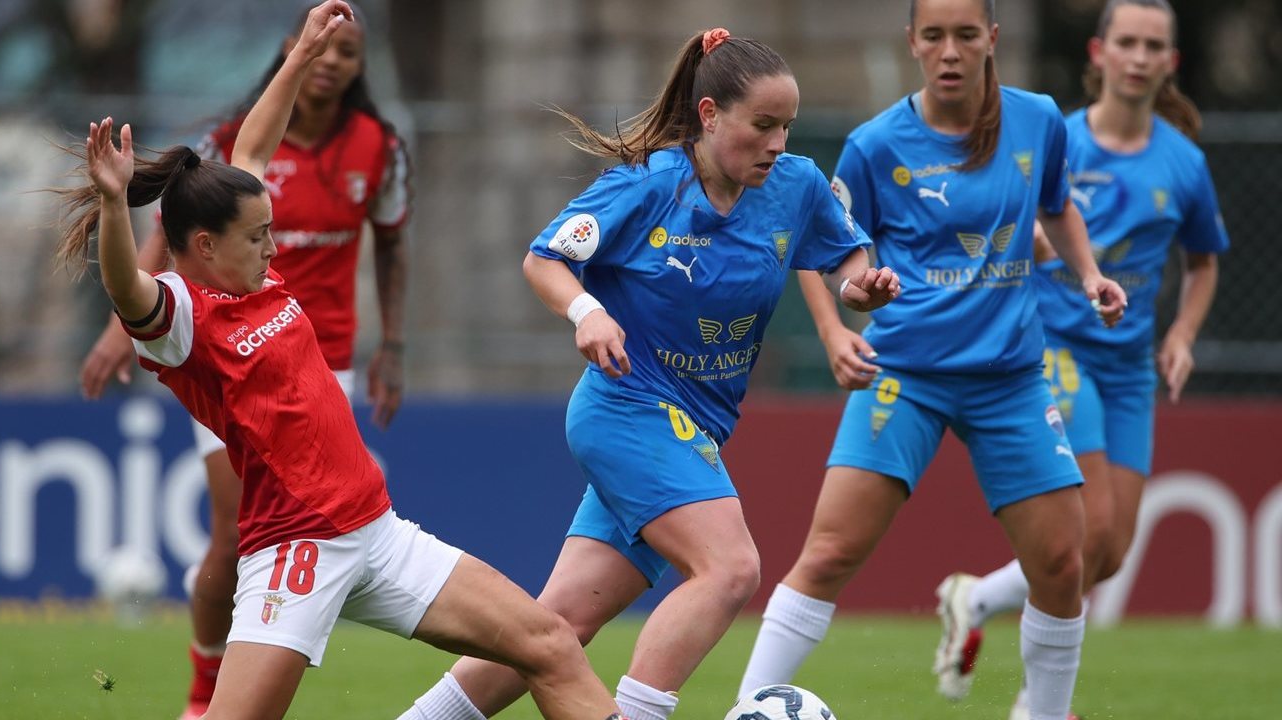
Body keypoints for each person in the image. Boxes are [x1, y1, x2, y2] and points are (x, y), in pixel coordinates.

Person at [54, 5, 625, 720]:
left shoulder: (255, 271)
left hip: (377, 533)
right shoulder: (180, 317)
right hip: (294, 553)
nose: (275, 247)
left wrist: (299, 57)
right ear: (203, 246)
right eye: (260, 236)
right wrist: (113, 207)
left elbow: (254, 147)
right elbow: (123, 286)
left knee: (550, 643)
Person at [397, 28, 897, 720]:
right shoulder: (648, 187)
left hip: (692, 427)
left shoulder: (796, 187)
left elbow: (843, 257)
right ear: (711, 114)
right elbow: (544, 259)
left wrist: (858, 291)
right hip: (626, 410)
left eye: (787, 126)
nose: (780, 143)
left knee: (559, 626)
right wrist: (586, 313)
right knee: (730, 569)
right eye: (763, 126)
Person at [735, 1, 1130, 719]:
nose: (951, 51)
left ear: (992, 41)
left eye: (966, 35)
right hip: (905, 374)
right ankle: (748, 708)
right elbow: (812, 241)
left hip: (1010, 378)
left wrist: (1090, 272)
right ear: (912, 43)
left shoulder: (1038, 119)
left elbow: (1056, 205)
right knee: (827, 555)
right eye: (936, 36)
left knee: (1064, 564)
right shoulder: (875, 144)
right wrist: (833, 332)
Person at [75, 6, 409, 717]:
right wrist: (113, 222)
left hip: (314, 354)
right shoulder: (202, 266)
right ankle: (208, 690)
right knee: (236, 533)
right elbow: (146, 269)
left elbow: (391, 243)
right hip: (228, 362)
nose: (333, 62)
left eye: (349, 51)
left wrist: (395, 345)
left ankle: (285, 631)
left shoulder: (378, 146)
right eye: (323, 49)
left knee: (328, 514)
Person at [930, 1, 1229, 717]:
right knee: (1085, 528)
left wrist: (1182, 334)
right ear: (1098, 53)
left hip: (1128, 367)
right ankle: (1041, 705)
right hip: (1055, 347)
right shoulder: (1052, 137)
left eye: (1152, 45)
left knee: (1112, 551)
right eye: (1125, 41)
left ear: (1169, 63)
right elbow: (997, 213)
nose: (1137, 55)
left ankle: (978, 598)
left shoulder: (1184, 162)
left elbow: (1205, 262)